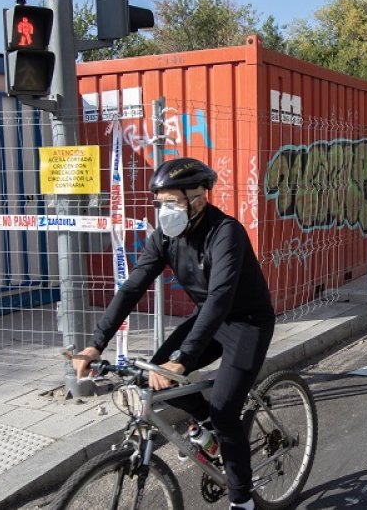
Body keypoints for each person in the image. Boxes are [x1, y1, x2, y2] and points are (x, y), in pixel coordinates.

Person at [71, 157, 276, 510]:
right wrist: (95, 344)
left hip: (247, 322)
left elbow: (219, 299)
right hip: (208, 320)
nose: (166, 210)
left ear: (199, 199)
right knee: (154, 377)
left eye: (173, 202)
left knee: (227, 410)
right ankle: (207, 425)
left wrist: (183, 359)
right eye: (161, 203)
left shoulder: (226, 233)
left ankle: (243, 500)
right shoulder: (165, 236)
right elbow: (133, 286)